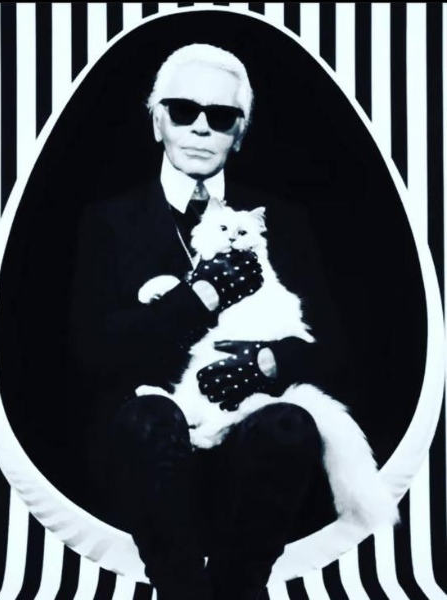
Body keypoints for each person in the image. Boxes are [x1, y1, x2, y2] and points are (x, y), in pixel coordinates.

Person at [69, 44, 343, 600]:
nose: (200, 127)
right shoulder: (107, 221)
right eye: (182, 111)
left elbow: (331, 348)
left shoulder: (284, 221)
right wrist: (202, 297)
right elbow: (92, 351)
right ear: (157, 121)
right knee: (147, 420)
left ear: (239, 133)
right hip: (146, 447)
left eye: (220, 116)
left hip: (254, 441)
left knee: (288, 426)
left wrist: (265, 362)